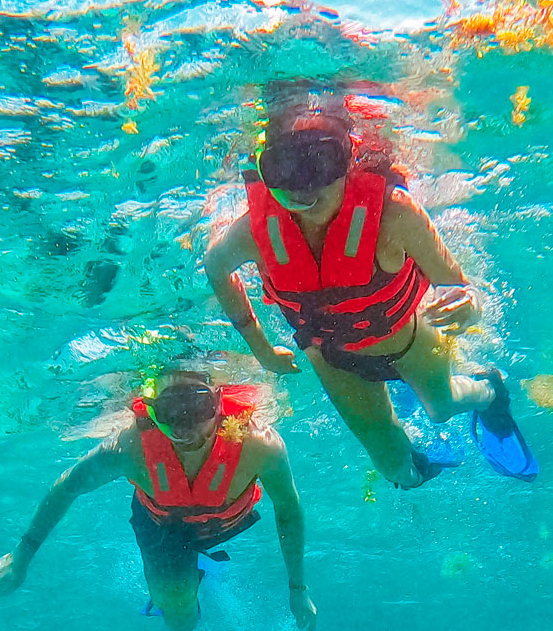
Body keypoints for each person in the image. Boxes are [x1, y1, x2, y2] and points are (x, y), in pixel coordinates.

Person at [202, 92, 534, 488]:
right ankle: (417, 472)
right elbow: (215, 267)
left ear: (349, 158)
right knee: (397, 471)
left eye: (322, 160)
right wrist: (261, 348)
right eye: (283, 166)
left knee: (442, 407)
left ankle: (490, 391)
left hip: (406, 340)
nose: (304, 186)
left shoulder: (393, 213)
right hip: (333, 359)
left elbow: (458, 285)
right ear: (264, 168)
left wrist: (468, 303)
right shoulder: (252, 233)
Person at [0, 371, 315, 631]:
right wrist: (21, 556)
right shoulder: (130, 447)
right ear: (152, 409)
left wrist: (298, 588)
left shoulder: (259, 445)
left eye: (198, 406)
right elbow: (67, 487)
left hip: (221, 526)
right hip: (158, 524)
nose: (185, 427)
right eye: (170, 411)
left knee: (179, 609)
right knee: (180, 624)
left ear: (219, 402)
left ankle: (199, 570)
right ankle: (187, 582)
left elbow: (288, 509)